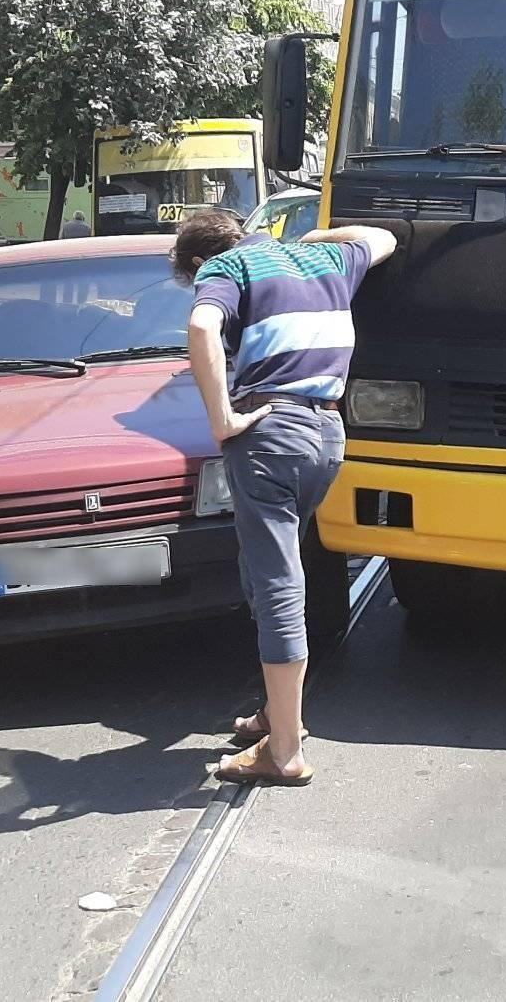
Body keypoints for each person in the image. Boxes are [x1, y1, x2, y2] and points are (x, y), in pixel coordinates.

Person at [176, 209, 398, 786]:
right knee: (264, 564)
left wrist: (221, 416)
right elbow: (383, 237)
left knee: (276, 581)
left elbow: (201, 328)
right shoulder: (324, 256)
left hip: (271, 432)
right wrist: (313, 236)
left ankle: (284, 750)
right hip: (327, 434)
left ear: (200, 261)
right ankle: (276, 712)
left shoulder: (226, 268)